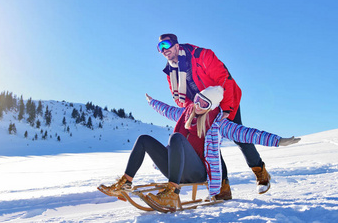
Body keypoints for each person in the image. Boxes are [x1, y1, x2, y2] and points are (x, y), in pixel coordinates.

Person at [97, 86, 300, 212]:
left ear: (211, 107)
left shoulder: (217, 123)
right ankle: (125, 184)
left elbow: (248, 134)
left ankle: (172, 192)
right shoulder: (186, 113)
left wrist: (279, 141)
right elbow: (166, 109)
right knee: (144, 139)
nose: (197, 104)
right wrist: (151, 102)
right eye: (197, 99)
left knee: (176, 138)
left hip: (197, 171)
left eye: (203, 103)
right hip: (175, 168)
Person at [157, 33, 272, 196]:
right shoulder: (171, 71)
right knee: (209, 143)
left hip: (225, 99)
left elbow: (224, 80)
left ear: (176, 45)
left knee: (239, 137)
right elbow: (179, 100)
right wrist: (194, 108)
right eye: (160, 47)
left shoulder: (201, 55)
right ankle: (223, 187)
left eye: (166, 45)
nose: (164, 50)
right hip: (202, 107)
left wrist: (226, 109)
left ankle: (260, 171)